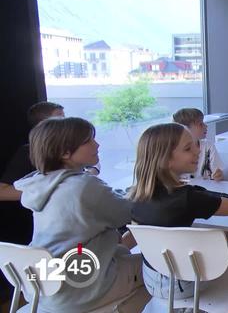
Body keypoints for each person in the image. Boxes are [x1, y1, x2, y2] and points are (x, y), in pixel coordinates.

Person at [129, 123, 228, 302]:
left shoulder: (134, 195)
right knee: (222, 234)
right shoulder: (188, 198)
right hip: (187, 285)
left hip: (152, 280)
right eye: (188, 148)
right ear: (166, 160)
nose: (197, 151)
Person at [14, 117, 141, 312]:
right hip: (82, 289)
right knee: (163, 268)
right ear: (65, 152)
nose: (97, 144)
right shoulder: (84, 186)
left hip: (42, 289)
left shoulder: (39, 185)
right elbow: (131, 211)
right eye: (88, 140)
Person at [0, 102, 64, 245]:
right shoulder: (27, 152)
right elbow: (2, 192)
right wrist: (45, 190)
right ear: (43, 124)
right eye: (60, 118)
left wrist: (93, 170)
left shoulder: (66, 151)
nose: (65, 123)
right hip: (37, 230)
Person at [172, 108, 223, 181]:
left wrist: (219, 175)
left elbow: (217, 171)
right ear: (185, 129)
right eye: (200, 124)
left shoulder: (208, 146)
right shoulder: (177, 151)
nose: (206, 126)